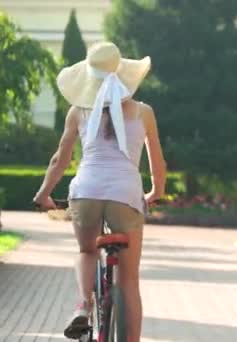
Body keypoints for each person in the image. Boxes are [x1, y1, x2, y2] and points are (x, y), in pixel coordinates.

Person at [33, 41, 166, 341]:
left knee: (86, 250)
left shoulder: (77, 111)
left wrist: (43, 193)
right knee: (129, 281)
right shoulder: (144, 112)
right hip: (127, 195)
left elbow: (60, 158)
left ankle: (83, 302)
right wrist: (156, 191)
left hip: (86, 191)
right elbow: (158, 160)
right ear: (121, 73)